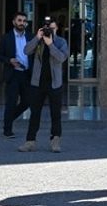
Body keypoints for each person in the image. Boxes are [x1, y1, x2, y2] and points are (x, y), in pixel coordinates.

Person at [17, 17, 69, 153]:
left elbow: (61, 58)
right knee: (35, 113)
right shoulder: (38, 42)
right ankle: (30, 141)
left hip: (54, 83)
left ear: (56, 29)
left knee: (55, 114)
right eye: (47, 28)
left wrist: (50, 44)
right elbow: (26, 51)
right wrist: (37, 37)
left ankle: (55, 141)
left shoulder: (61, 42)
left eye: (51, 28)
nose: (49, 31)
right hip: (37, 83)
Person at [0, 11, 32, 139]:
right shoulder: (7, 37)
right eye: (19, 20)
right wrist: (9, 60)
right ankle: (7, 130)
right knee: (11, 102)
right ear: (14, 22)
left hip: (27, 74)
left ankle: (9, 119)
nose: (22, 23)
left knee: (27, 101)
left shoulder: (31, 37)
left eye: (24, 21)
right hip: (13, 74)